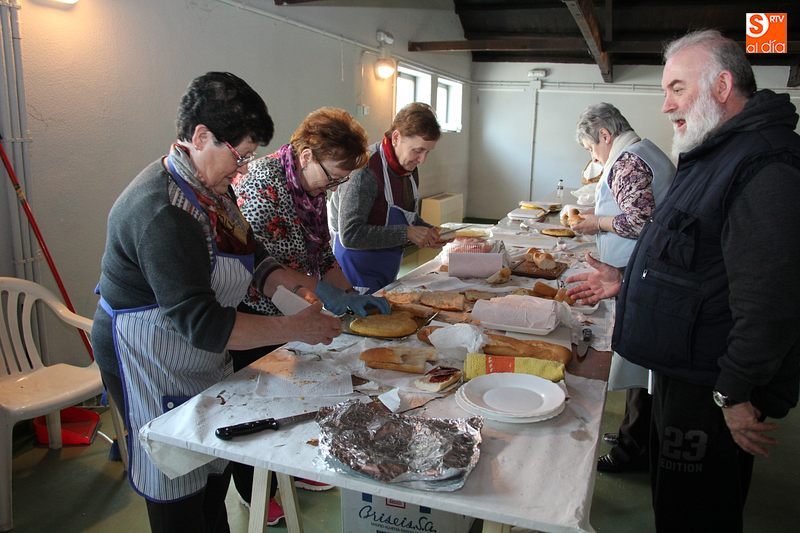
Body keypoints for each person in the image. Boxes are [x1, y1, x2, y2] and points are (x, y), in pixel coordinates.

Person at [92, 72, 347, 532]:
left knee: (210, 464)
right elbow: (205, 324)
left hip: (192, 348)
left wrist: (293, 289)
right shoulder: (166, 212)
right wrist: (297, 328)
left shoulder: (214, 190)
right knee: (174, 473)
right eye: (240, 156)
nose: (243, 170)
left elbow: (252, 255)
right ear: (201, 136)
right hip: (145, 352)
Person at [567, 30, 800, 532]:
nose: (665, 104)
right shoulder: (715, 151)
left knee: (695, 514)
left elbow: (771, 299)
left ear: (721, 85)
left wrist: (733, 395)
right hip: (688, 367)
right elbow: (695, 260)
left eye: (676, 88)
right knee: (675, 503)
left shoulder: (765, 164)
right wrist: (626, 280)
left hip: (710, 384)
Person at [230, 107, 389, 502]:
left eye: (342, 180)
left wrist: (350, 295)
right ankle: (256, 494)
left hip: (296, 305)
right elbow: (265, 270)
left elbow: (322, 256)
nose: (334, 187)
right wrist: (317, 304)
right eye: (333, 177)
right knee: (254, 406)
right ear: (305, 155)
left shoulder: (310, 189)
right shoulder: (262, 188)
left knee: (292, 397)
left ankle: (290, 472)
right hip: (256, 314)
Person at [572, 103, 675, 473]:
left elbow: (639, 221)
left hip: (640, 273)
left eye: (590, 148)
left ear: (604, 135)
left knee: (640, 361)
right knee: (640, 365)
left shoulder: (628, 160)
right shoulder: (644, 150)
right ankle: (637, 435)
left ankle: (634, 449)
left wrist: (595, 223)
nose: (594, 157)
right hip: (639, 271)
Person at [329, 102, 443, 293]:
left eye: (427, 152)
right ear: (396, 137)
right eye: (418, 150)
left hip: (386, 270)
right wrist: (406, 233)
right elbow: (350, 234)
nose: (422, 160)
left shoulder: (408, 168)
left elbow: (408, 217)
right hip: (353, 277)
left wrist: (429, 231)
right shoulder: (364, 171)